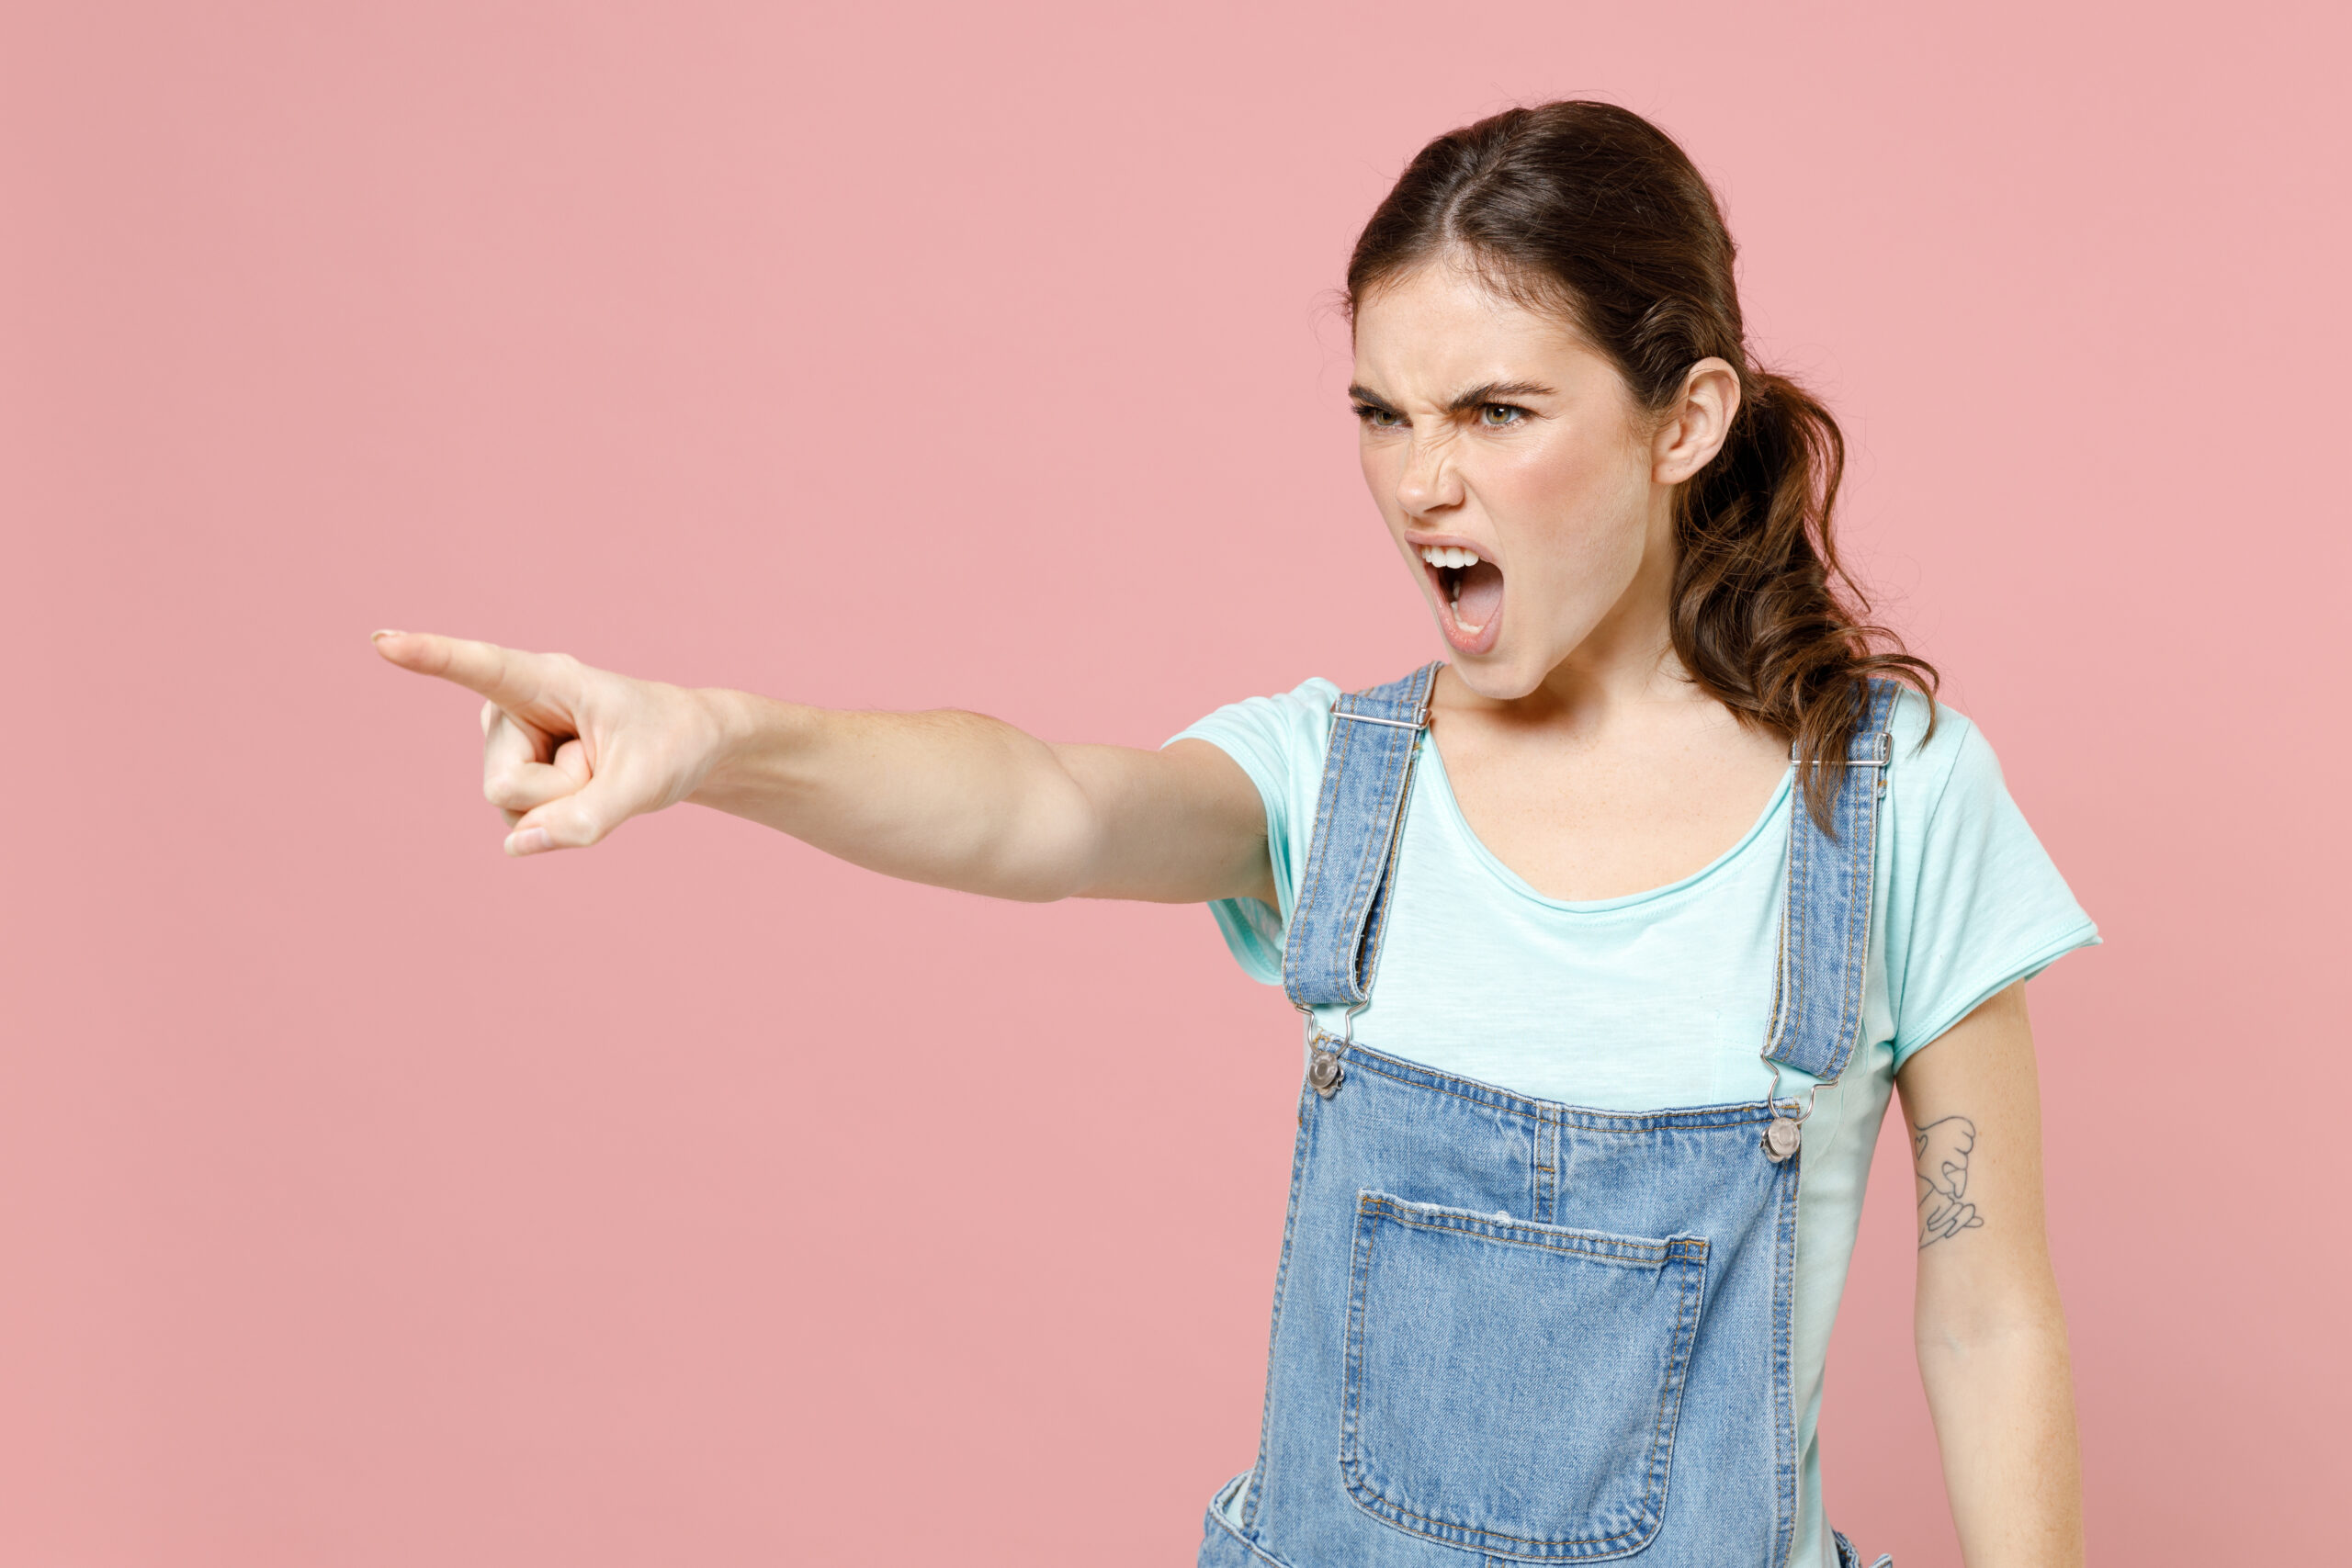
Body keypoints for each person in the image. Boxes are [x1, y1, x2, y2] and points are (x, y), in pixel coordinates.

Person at [374, 101, 2093, 1568]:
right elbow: (1041, 806)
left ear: (1686, 421)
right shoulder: (1341, 783)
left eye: (1496, 412)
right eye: (1382, 414)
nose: (1421, 484)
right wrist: (711, 740)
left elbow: (1988, 1313)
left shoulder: (1890, 804)